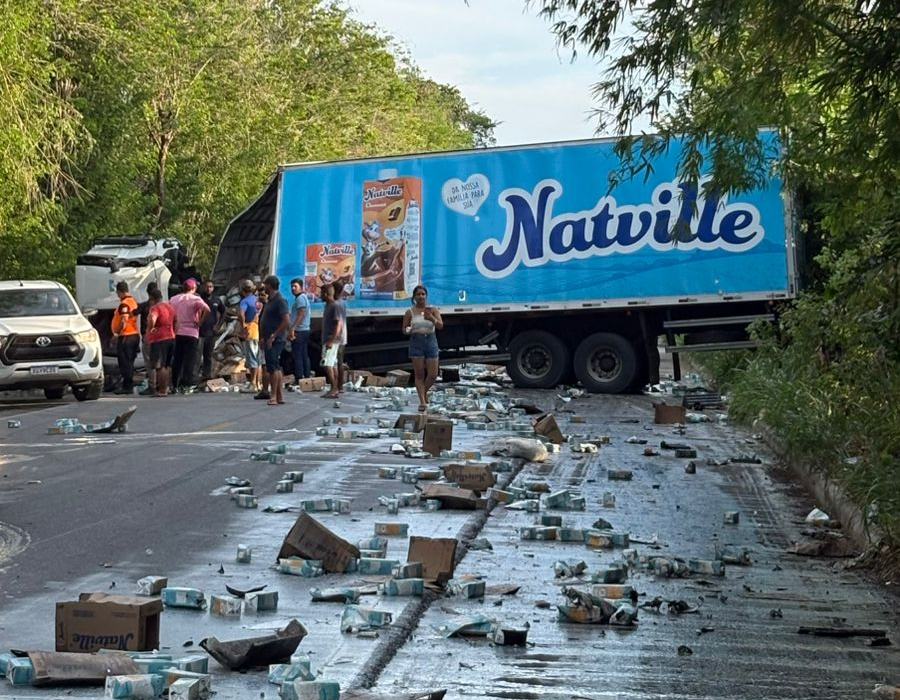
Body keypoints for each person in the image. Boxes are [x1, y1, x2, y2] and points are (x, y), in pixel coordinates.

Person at [402, 284, 443, 412]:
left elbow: (441, 325)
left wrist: (432, 318)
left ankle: (423, 392)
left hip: (430, 340)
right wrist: (408, 330)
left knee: (433, 374)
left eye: (423, 294)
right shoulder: (410, 312)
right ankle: (422, 402)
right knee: (419, 374)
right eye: (418, 294)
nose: (421, 297)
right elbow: (404, 328)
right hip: (416, 341)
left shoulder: (433, 310)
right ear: (414, 297)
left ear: (426, 296)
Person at [169, 279, 209, 391]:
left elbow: (169, 312)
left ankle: (174, 383)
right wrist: (200, 322)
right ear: (193, 288)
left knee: (177, 359)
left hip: (177, 332)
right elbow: (207, 309)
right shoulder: (195, 299)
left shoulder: (174, 299)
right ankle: (186, 383)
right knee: (190, 359)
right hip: (192, 332)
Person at [258, 275, 290, 406]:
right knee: (274, 366)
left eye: (265, 285)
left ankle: (274, 396)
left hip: (275, 339)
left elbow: (286, 320)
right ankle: (279, 396)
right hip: (267, 338)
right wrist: (262, 337)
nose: (264, 287)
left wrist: (273, 335)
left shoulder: (280, 301)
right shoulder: (270, 301)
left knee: (273, 367)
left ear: (270, 286)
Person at [111, 281, 141, 394]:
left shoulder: (124, 304)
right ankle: (127, 385)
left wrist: (117, 334)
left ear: (119, 292)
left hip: (126, 336)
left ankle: (127, 387)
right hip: (134, 335)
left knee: (125, 363)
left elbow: (124, 320)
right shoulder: (133, 301)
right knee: (129, 362)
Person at [145, 287, 176, 397]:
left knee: (159, 366)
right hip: (171, 337)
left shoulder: (155, 308)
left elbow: (152, 319)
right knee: (167, 365)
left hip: (159, 339)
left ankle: (161, 391)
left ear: (151, 298)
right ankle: (166, 388)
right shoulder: (169, 307)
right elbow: (177, 321)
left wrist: (150, 329)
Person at [320, 282, 346, 399]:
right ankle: (335, 387)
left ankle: (334, 388)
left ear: (326, 294)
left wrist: (332, 340)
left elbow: (339, 324)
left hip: (331, 340)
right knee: (333, 365)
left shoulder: (335, 306)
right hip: (328, 339)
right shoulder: (328, 306)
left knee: (327, 364)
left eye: (321, 293)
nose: (320, 296)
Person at [238, 280, 262, 393]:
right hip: (259, 330)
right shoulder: (258, 300)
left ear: (243, 291)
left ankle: (253, 384)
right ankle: (258, 383)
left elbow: (241, 314)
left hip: (251, 330)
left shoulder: (245, 301)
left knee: (252, 358)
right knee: (258, 359)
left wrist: (243, 325)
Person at [198, 279, 225, 381]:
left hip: (211, 333)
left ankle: (207, 375)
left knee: (208, 355)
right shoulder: (199, 299)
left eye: (211, 287)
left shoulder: (216, 300)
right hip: (200, 332)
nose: (209, 289)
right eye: (207, 286)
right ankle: (195, 376)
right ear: (203, 287)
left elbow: (223, 312)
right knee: (197, 355)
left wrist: (218, 325)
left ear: (213, 288)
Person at [138, 281, 160, 396]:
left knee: (150, 362)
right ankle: (162, 386)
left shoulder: (144, 306)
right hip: (161, 338)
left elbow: (133, 313)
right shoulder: (163, 306)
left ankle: (152, 386)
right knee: (159, 362)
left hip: (148, 337)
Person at [289, 277, 311, 382]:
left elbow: (301, 313)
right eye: (292, 286)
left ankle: (299, 378)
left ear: (301, 287)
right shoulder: (301, 298)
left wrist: (293, 328)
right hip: (303, 330)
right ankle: (306, 376)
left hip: (300, 330)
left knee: (298, 355)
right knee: (303, 354)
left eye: (295, 286)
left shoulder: (300, 298)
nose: (293, 288)